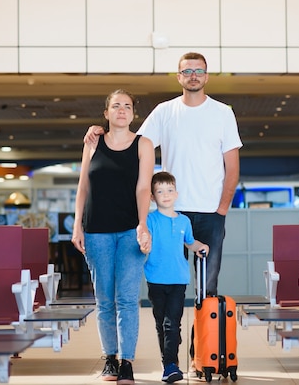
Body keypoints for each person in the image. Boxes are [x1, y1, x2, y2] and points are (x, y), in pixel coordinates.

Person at [85, 52, 242, 297]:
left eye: (198, 71)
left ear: (207, 76)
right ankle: (172, 337)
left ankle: (203, 336)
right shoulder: (164, 111)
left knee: (208, 289)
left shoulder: (223, 113)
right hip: (171, 213)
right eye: (187, 71)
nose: (193, 76)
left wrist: (221, 210)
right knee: (169, 287)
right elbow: (132, 145)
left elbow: (232, 168)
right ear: (179, 77)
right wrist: (102, 131)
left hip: (211, 212)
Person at [72, 89, 155, 385]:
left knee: (128, 299)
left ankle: (127, 362)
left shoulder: (144, 144)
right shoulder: (93, 143)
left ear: (133, 114)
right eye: (116, 106)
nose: (122, 110)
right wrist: (77, 225)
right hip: (96, 231)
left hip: (130, 230)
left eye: (127, 106)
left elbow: (144, 187)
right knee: (105, 299)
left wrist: (143, 224)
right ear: (106, 113)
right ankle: (110, 357)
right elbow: (83, 186)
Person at [144, 171, 209, 383]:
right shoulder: (150, 219)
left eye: (170, 190)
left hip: (178, 279)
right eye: (160, 191)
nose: (166, 194)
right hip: (155, 278)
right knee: (161, 323)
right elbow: (145, 243)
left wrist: (200, 246)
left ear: (177, 193)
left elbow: (190, 242)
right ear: (153, 197)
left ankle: (170, 364)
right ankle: (169, 361)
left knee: (172, 323)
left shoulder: (184, 221)